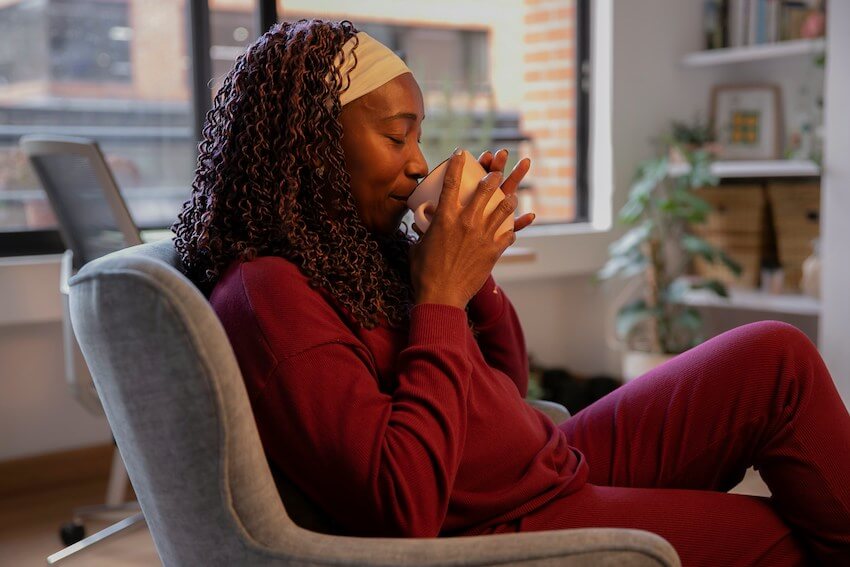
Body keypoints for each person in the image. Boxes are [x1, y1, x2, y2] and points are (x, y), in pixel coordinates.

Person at [172, 19, 850, 566]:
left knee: (776, 356)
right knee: (781, 535)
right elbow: (400, 504)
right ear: (311, 142)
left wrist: (473, 273)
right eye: (395, 134)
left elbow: (505, 381)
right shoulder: (270, 295)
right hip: (506, 522)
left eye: (419, 135)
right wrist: (438, 293)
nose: (417, 160)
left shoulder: (350, 249)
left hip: (548, 462)